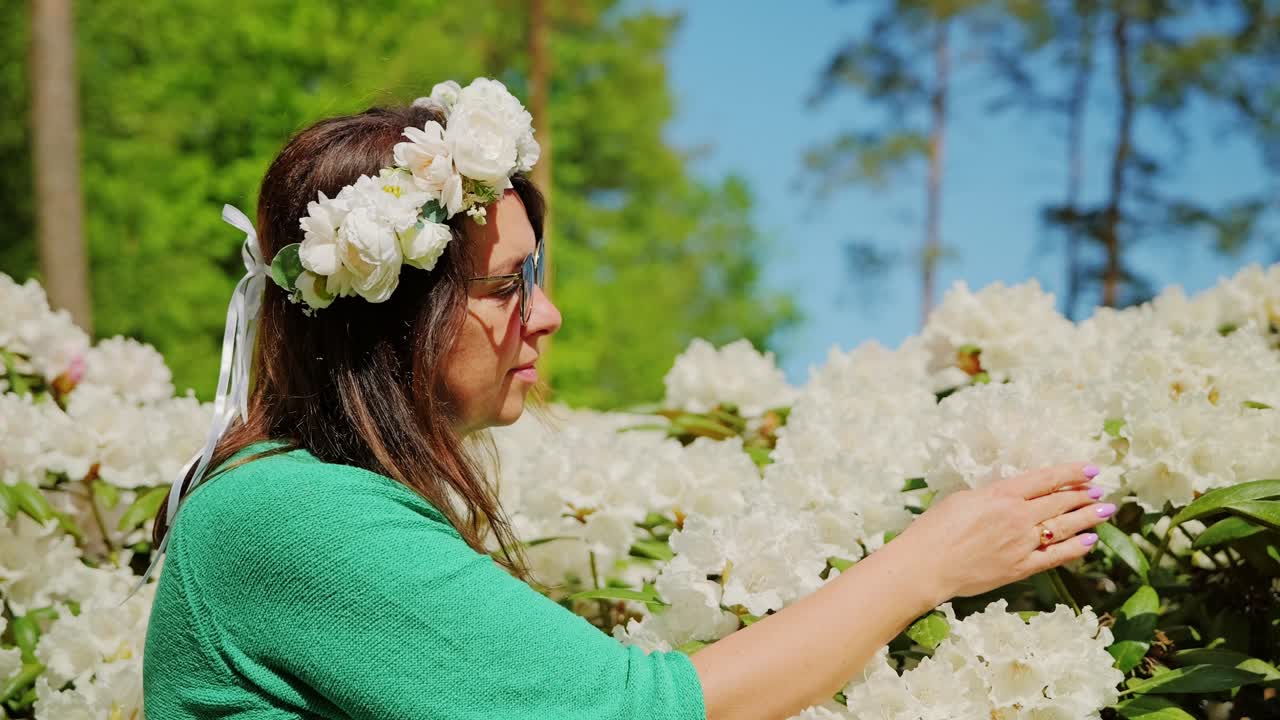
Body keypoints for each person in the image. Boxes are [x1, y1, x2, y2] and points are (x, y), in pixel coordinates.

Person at [141, 78, 1115, 720]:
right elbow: (631, 710)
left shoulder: (301, 499)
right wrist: (927, 562)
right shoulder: (290, 513)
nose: (547, 315)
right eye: (504, 287)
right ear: (389, 317)